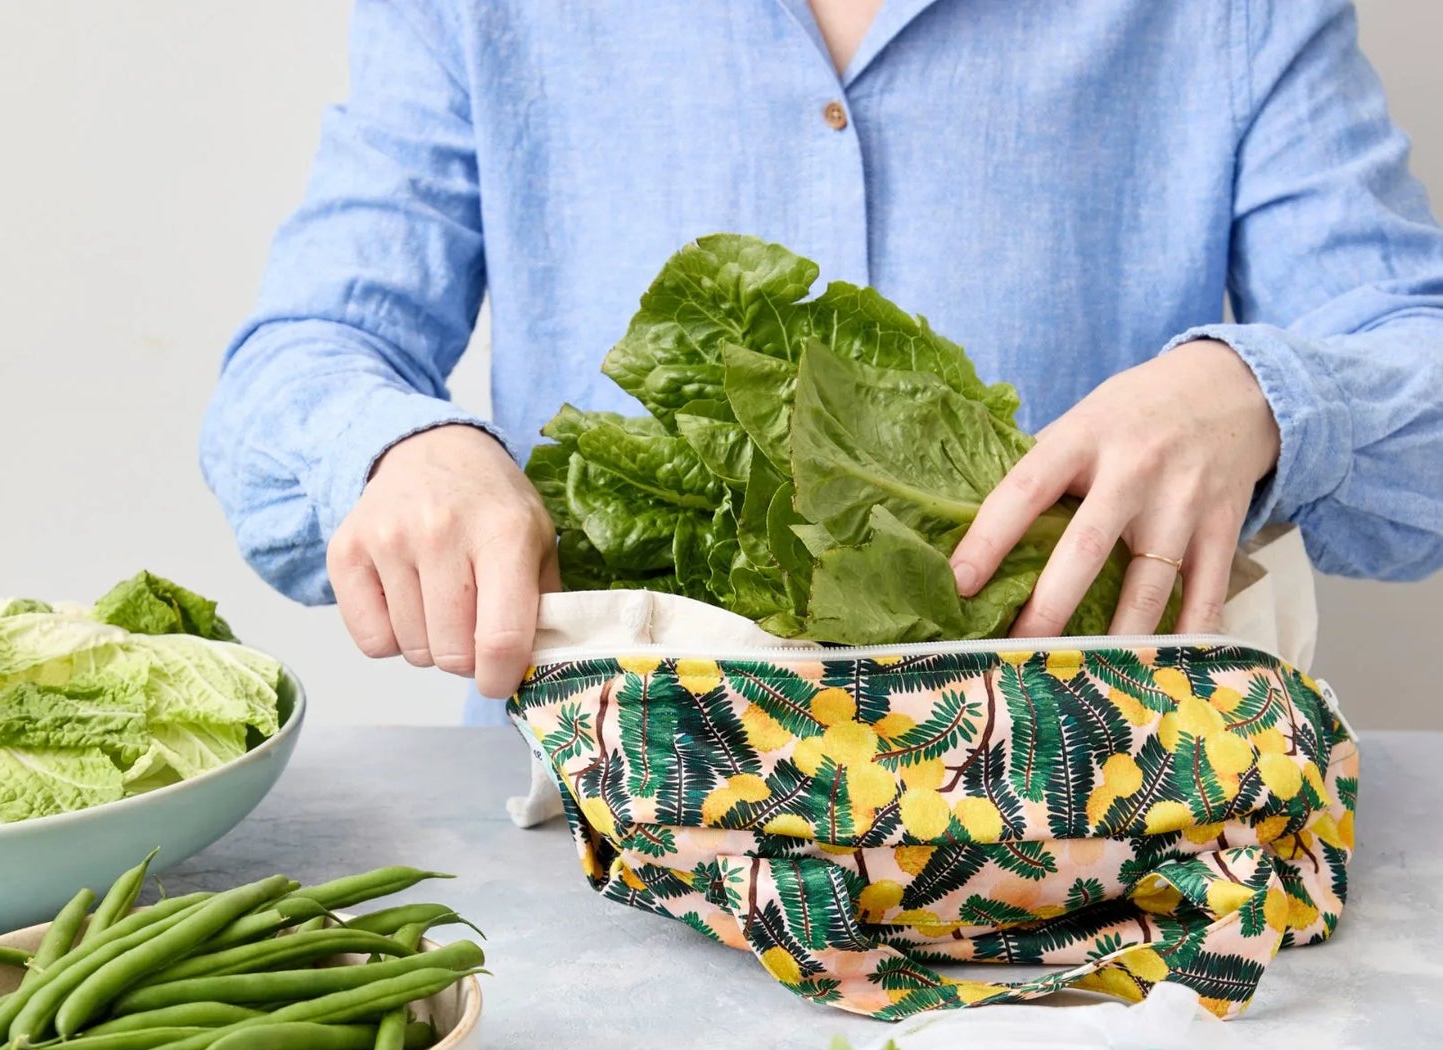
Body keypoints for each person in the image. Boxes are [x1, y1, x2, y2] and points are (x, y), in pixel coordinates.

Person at [202, 0, 1443, 727]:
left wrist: (1264, 395)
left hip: (1086, 856)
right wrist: (396, 445)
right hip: (614, 852)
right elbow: (301, 360)